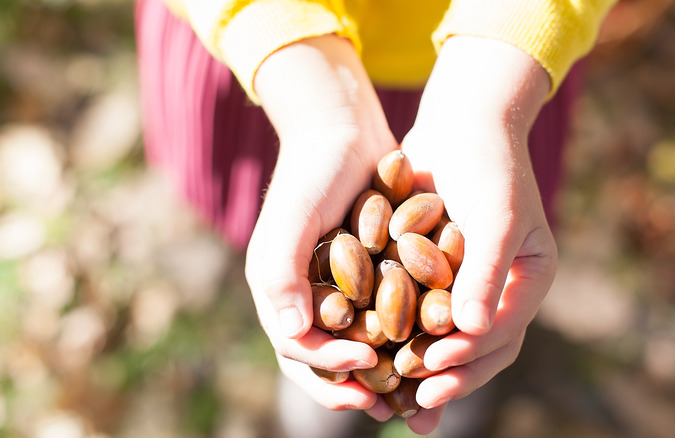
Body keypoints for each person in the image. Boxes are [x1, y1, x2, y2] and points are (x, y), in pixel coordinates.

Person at [134, 0, 617, 435]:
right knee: (297, 236)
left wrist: (487, 92)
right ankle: (331, 388)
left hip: (495, 71)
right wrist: (311, 97)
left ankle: (453, 387)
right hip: (288, 69)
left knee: (489, 268)